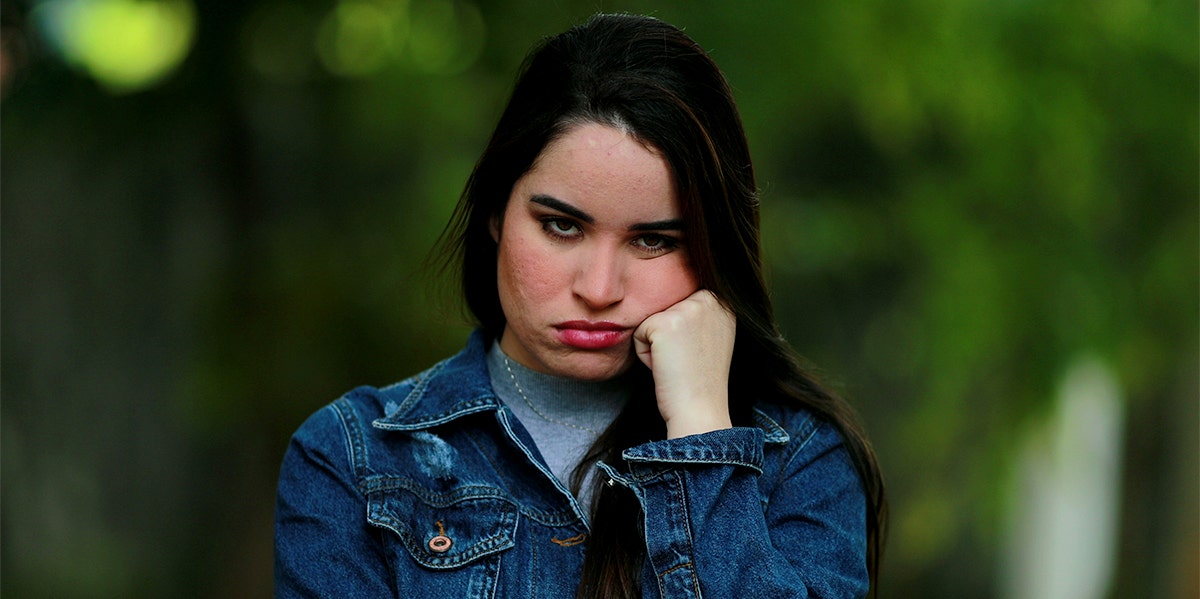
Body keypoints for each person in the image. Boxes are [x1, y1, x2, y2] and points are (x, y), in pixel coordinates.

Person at [275, 13, 886, 598]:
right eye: (562, 226)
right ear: (496, 213)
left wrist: (701, 431)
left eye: (655, 240)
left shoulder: (801, 462)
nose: (598, 289)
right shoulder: (351, 459)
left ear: (712, 249)